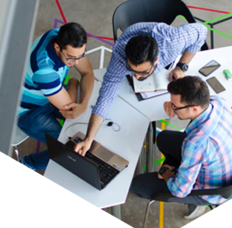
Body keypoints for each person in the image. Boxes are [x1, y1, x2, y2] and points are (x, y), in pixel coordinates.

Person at [73, 22, 208, 156]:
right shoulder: (120, 55)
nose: (136, 77)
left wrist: (182, 65)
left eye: (143, 72)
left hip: (162, 37)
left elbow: (202, 31)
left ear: (156, 61)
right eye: (132, 70)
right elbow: (106, 97)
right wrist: (89, 138)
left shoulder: (172, 42)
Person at [131, 76, 232, 219]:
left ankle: (197, 204)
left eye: (175, 106)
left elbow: (179, 191)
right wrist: (172, 104)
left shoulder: (196, 144)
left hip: (211, 191)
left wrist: (165, 171)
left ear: (194, 108)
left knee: (139, 185)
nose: (172, 108)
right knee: (164, 138)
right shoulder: (218, 102)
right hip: (223, 164)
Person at [17, 22, 94, 174]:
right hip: (29, 112)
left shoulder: (61, 35)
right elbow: (71, 111)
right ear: (57, 47)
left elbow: (87, 73)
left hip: (51, 94)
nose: (76, 63)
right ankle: (28, 162)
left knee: (86, 115)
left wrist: (83, 103)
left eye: (80, 56)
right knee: (68, 147)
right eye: (71, 58)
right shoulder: (44, 70)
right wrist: (72, 85)